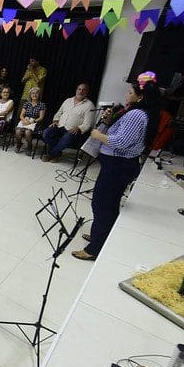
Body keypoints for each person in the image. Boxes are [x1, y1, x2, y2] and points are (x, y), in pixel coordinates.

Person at [72, 73, 161, 261]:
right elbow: (117, 130)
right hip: (115, 165)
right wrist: (107, 120)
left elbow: (121, 141)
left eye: (130, 92)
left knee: (103, 204)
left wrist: (98, 135)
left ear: (140, 97)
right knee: (106, 203)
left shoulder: (136, 114)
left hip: (118, 166)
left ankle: (94, 248)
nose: (126, 95)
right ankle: (100, 236)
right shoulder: (132, 111)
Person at [42, 83, 95, 162]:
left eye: (83, 90)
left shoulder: (89, 105)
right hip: (60, 126)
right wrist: (55, 121)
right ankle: (57, 153)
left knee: (67, 138)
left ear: (87, 92)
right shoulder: (68, 100)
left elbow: (88, 123)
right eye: (79, 89)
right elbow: (59, 113)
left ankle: (51, 154)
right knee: (46, 132)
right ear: (76, 90)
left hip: (73, 130)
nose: (81, 91)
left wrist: (79, 128)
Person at [14, 87, 46, 153]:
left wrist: (32, 121)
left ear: (39, 95)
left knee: (27, 132)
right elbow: (21, 115)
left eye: (36, 93)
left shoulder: (42, 105)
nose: (34, 95)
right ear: (30, 95)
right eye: (33, 93)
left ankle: (29, 146)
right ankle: (19, 144)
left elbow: (41, 117)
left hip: (35, 122)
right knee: (18, 131)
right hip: (25, 120)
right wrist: (25, 120)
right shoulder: (27, 103)